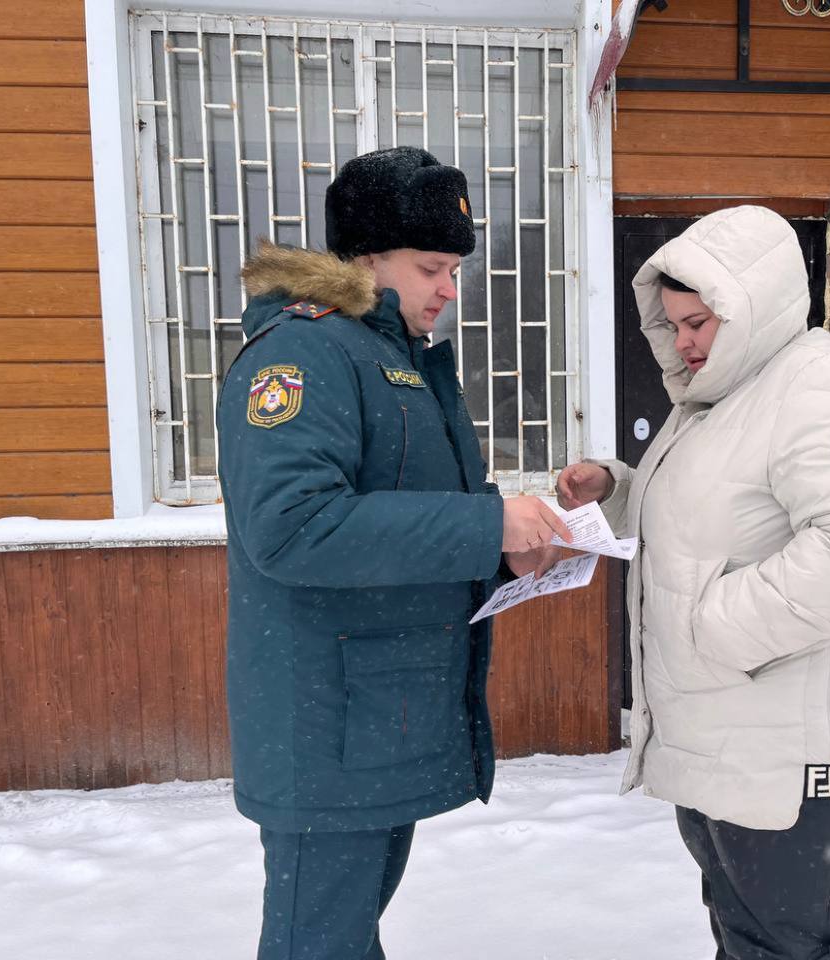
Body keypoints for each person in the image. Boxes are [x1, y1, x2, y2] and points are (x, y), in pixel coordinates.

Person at [216, 145, 569, 960]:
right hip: (329, 728)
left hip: (375, 722)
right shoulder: (302, 355)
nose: (450, 289)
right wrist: (487, 526)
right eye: (432, 267)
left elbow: (400, 511)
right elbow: (294, 528)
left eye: (453, 270)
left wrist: (504, 550)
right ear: (366, 258)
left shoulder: (386, 359)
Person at [557, 205, 830, 960]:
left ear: (753, 305)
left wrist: (708, 627)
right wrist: (616, 489)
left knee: (785, 949)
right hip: (733, 750)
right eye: (674, 324)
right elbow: (723, 520)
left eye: (700, 322)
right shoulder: (716, 404)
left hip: (797, 769)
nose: (684, 341)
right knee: (747, 941)